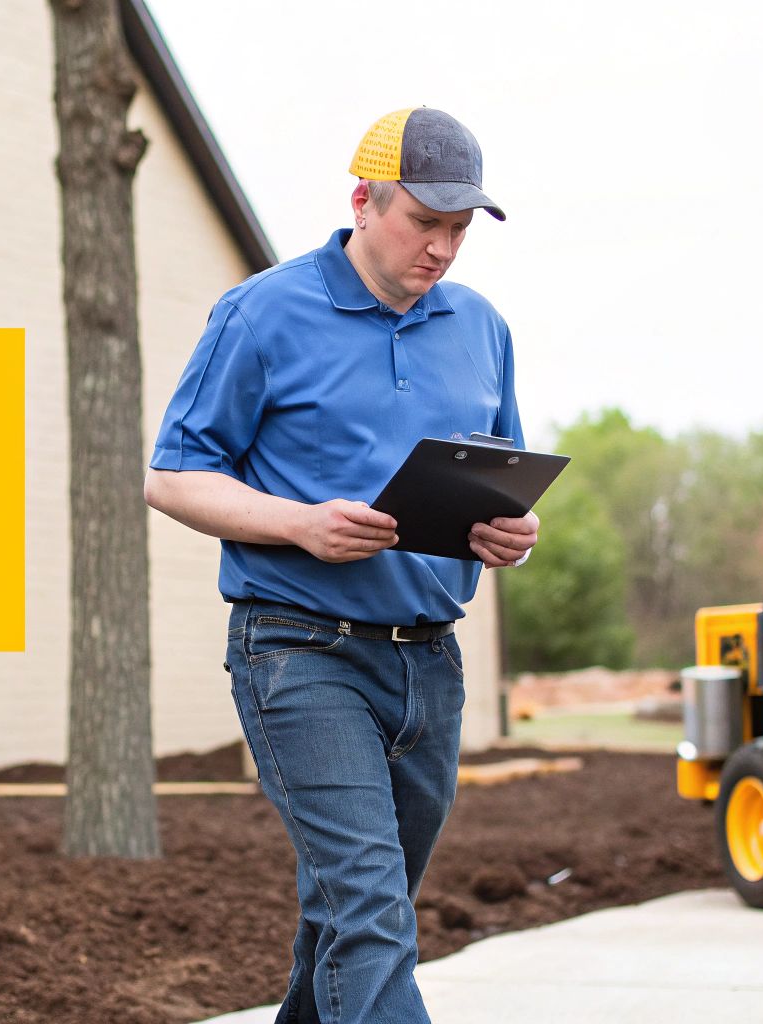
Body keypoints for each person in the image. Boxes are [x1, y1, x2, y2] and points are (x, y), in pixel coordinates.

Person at [144, 107, 538, 1024]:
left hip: (428, 662)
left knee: (346, 916)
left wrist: (509, 535)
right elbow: (172, 477)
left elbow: (502, 477)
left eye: (458, 230)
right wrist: (298, 524)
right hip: (299, 651)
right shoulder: (263, 312)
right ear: (363, 201)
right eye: (423, 223)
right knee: (371, 912)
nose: (441, 249)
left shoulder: (481, 328)